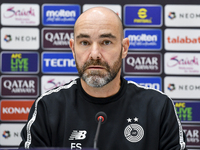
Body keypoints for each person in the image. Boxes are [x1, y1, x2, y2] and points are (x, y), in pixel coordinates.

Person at [19, 7, 187, 150]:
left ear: (124, 48)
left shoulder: (158, 107)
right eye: (84, 42)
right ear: (72, 48)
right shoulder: (47, 108)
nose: (94, 54)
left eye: (106, 42)